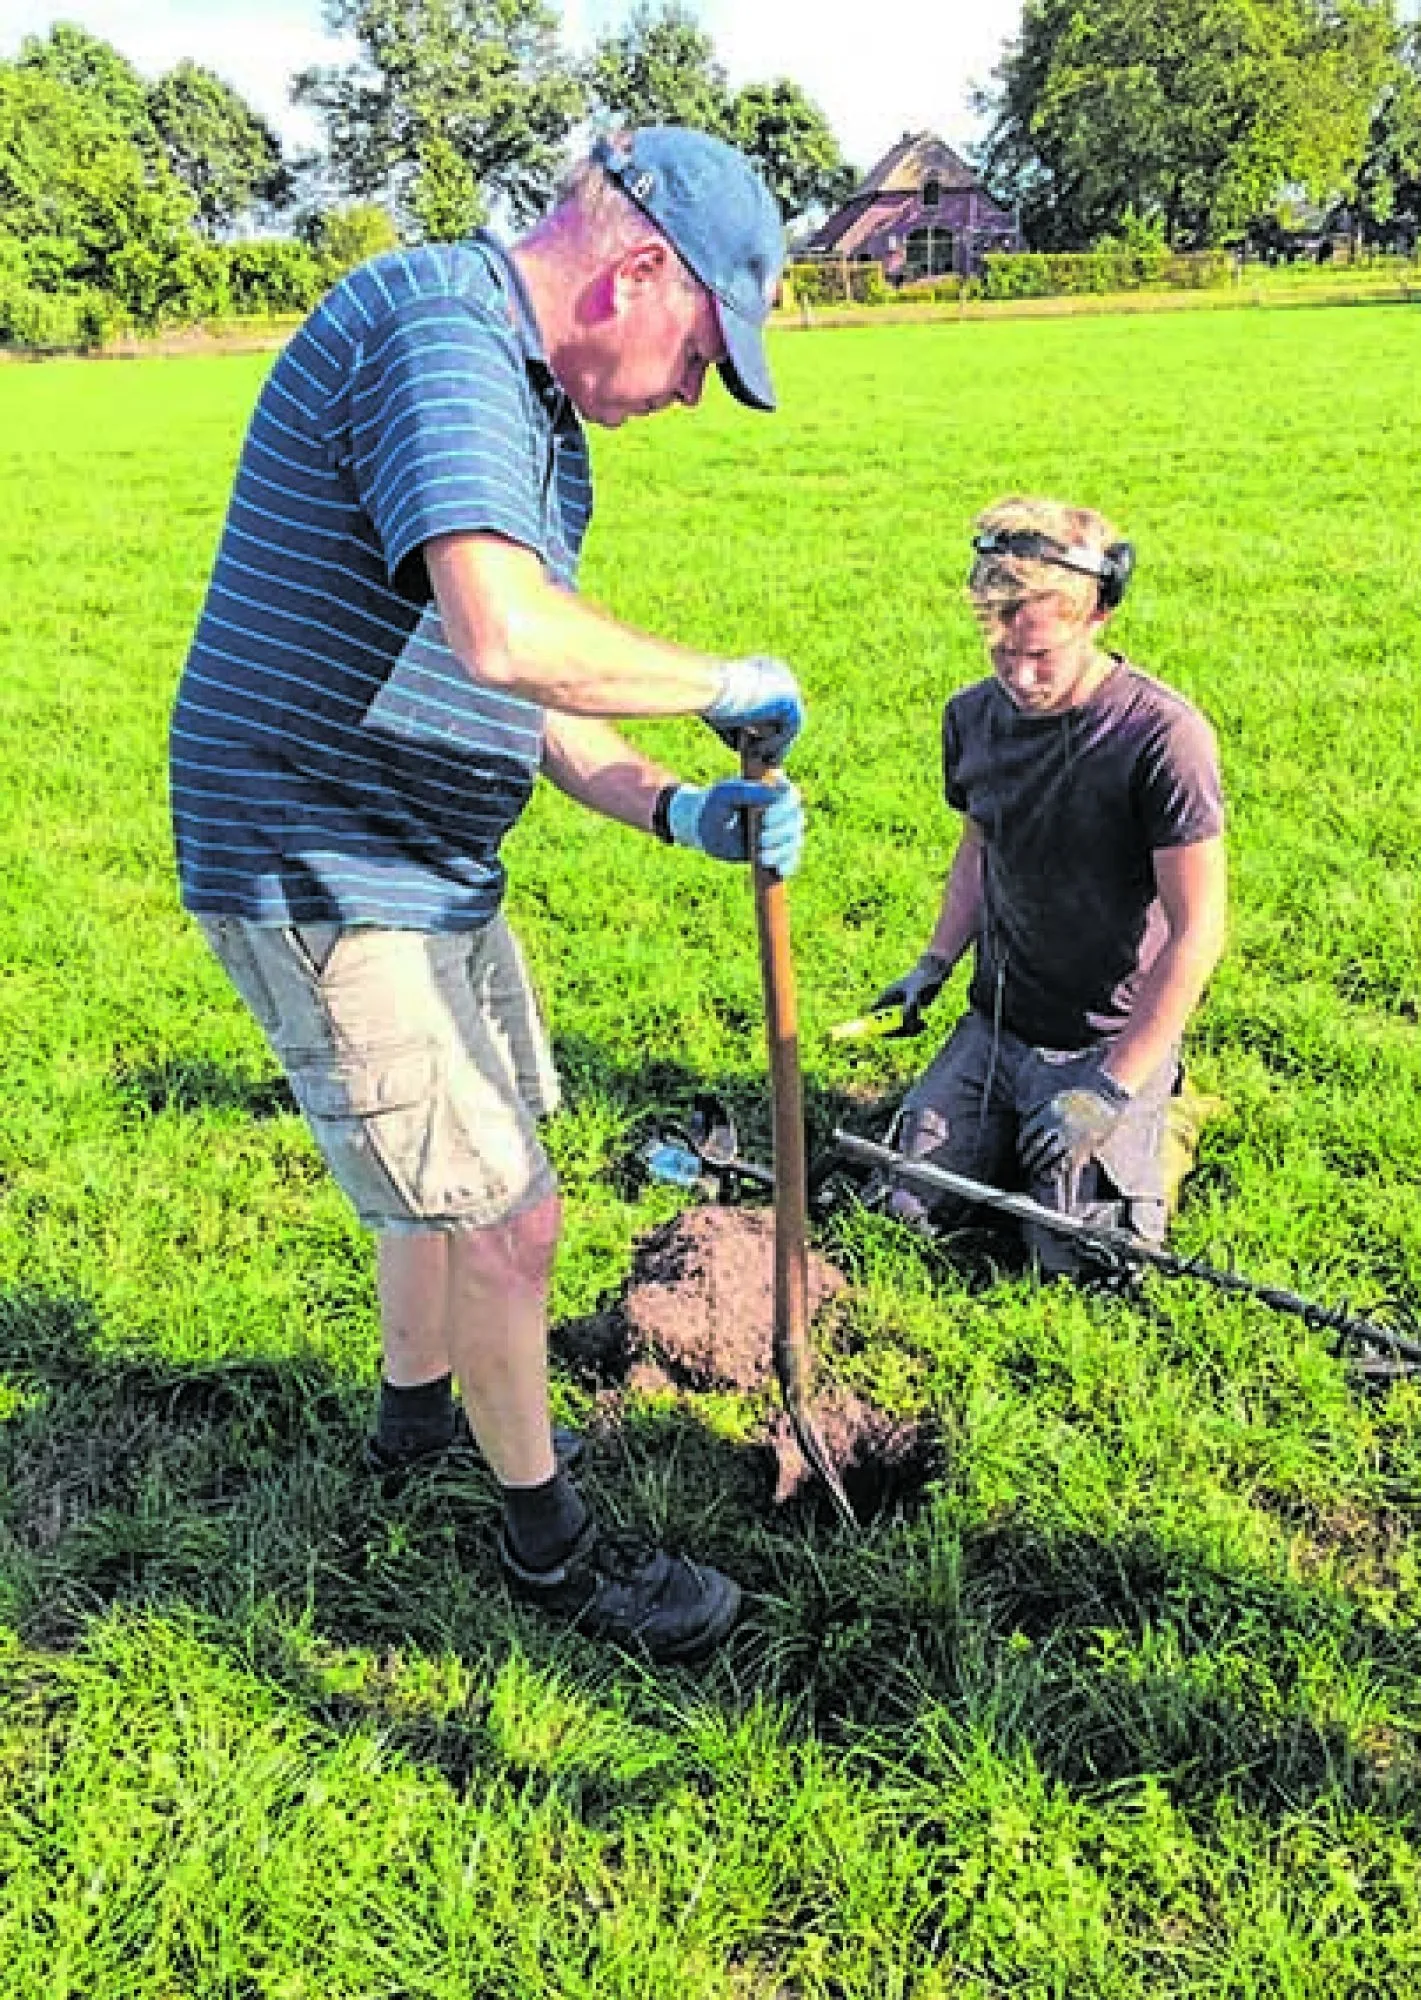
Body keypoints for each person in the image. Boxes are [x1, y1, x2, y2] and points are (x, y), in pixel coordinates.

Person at [168, 127, 805, 1662]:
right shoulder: (441, 335)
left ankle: (410, 1432)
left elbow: (509, 697)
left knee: (455, 1179)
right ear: (636, 273)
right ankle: (548, 1552)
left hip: (425, 854)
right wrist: (721, 681)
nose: (684, 397)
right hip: (319, 854)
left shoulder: (533, 421)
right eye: (701, 355)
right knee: (510, 1217)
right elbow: (505, 635)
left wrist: (679, 810)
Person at [868, 496, 1227, 1274]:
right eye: (1001, 654)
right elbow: (978, 848)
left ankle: (1162, 1109)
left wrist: (1110, 1087)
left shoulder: (1160, 737)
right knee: (899, 1211)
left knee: (1082, 1259)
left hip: (1103, 1040)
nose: (1020, 679)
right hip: (996, 1022)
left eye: (1042, 656)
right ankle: (997, 1120)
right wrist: (930, 967)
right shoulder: (970, 717)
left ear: (1097, 617)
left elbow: (1198, 930)